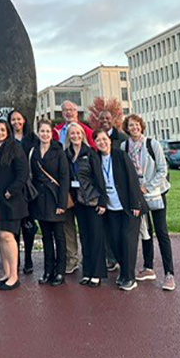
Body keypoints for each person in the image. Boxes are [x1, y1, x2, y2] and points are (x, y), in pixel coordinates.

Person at [122, 114, 176, 291]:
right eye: (131, 125)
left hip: (155, 193)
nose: (134, 128)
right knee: (144, 231)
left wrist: (148, 186)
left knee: (161, 232)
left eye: (137, 125)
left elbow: (162, 169)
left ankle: (169, 274)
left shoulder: (152, 144)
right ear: (127, 128)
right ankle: (148, 267)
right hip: (137, 196)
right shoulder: (125, 146)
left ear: (141, 126)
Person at [92, 128, 144, 291]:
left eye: (104, 139)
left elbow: (133, 179)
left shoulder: (120, 156)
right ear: (95, 143)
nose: (102, 142)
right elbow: (97, 185)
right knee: (115, 242)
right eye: (98, 140)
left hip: (128, 206)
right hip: (111, 207)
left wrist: (136, 203)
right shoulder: (96, 159)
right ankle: (124, 271)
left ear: (109, 140)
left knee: (128, 241)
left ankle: (130, 277)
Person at [0, 119, 28, 291]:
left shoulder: (15, 147)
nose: (0, 133)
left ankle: (14, 276)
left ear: (8, 132)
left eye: (3, 130)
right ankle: (6, 272)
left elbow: (23, 173)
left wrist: (11, 191)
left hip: (10, 201)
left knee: (9, 237)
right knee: (1, 236)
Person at [28, 119, 70, 286]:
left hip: (55, 198)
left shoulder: (58, 151)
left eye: (47, 131)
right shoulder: (33, 151)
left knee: (59, 237)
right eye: (42, 131)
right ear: (38, 133)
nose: (44, 134)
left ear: (51, 133)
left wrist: (62, 203)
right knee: (45, 237)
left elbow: (64, 177)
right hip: (40, 199)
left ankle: (60, 271)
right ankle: (47, 271)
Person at [66, 122, 107, 287]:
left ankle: (97, 273)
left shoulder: (90, 154)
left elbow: (99, 178)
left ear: (82, 134)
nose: (75, 136)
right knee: (84, 237)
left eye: (78, 133)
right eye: (72, 134)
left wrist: (102, 200)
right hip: (78, 203)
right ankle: (88, 271)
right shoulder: (67, 154)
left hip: (93, 201)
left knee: (96, 237)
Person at [55, 99, 92, 273]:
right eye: (65, 110)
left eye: (72, 109)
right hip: (66, 188)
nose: (69, 112)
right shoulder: (57, 132)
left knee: (86, 225)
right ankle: (72, 259)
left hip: (85, 190)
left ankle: (90, 258)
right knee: (67, 226)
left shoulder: (87, 132)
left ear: (77, 111)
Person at [9, 108, 39, 275]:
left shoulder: (32, 139)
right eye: (13, 120)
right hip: (12, 188)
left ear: (25, 121)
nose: (16, 123)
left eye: (19, 119)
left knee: (28, 225)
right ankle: (16, 259)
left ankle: (28, 257)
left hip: (28, 188)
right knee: (14, 226)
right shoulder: (7, 139)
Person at [96, 109, 123, 271]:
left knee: (120, 229)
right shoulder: (96, 138)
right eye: (102, 118)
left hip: (119, 191)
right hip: (104, 192)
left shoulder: (122, 138)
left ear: (112, 120)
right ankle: (111, 258)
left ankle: (123, 257)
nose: (105, 120)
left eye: (107, 118)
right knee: (106, 228)